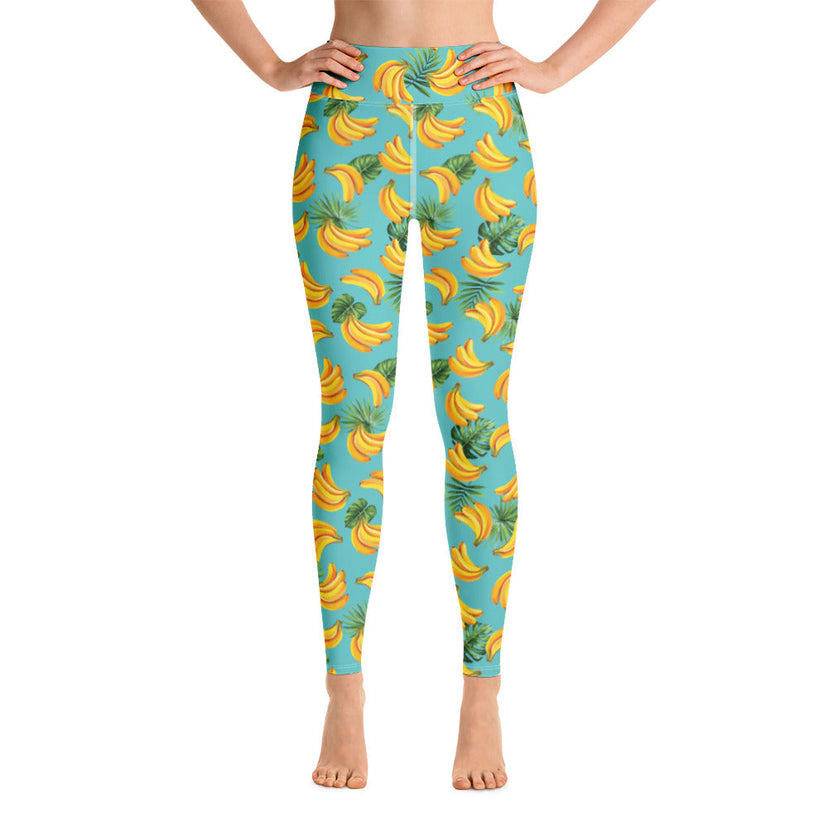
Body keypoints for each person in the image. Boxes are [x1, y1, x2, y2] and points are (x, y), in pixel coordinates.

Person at [190, 0, 658, 791]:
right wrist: (270, 65)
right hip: (350, 118)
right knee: (353, 420)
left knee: (477, 421)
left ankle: (483, 694)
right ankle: (344, 690)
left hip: (479, 124)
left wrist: (554, 69)